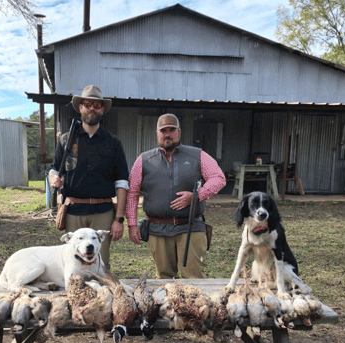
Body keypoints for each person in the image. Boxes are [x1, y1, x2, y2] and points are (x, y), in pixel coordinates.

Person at [126, 113, 226, 279]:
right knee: (164, 280)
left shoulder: (198, 155)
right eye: (163, 130)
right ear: (157, 133)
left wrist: (197, 195)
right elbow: (132, 193)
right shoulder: (143, 160)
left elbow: (218, 178)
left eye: (172, 130)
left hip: (191, 228)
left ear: (179, 132)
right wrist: (131, 224)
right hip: (157, 230)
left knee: (194, 279)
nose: (167, 134)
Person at [49, 85, 129, 269]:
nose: (92, 108)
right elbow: (55, 169)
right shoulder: (66, 140)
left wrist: (118, 219)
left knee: (101, 264)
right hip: (74, 213)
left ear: (102, 109)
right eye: (88, 104)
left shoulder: (113, 143)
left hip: (103, 213)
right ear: (81, 107)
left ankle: (101, 296)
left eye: (97, 105)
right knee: (73, 262)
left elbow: (122, 183)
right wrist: (53, 178)